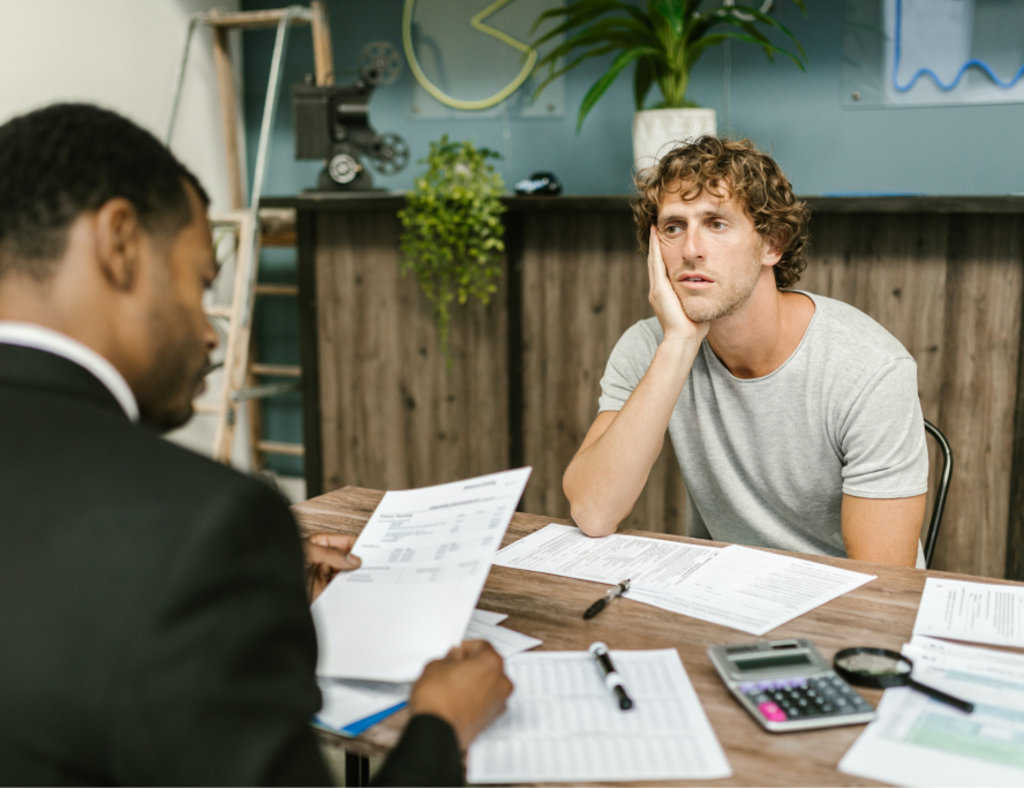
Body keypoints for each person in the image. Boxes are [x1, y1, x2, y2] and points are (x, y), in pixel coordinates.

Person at [0, 102, 511, 786]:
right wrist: (440, 726)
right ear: (119, 243)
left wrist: (228, 605)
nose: (211, 334)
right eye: (199, 284)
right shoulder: (204, 527)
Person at [563, 136, 928, 567]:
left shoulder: (869, 369)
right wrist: (679, 344)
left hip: (838, 610)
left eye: (716, 223)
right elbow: (593, 512)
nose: (690, 249)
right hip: (723, 594)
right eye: (673, 227)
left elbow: (881, 585)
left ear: (772, 245)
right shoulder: (649, 347)